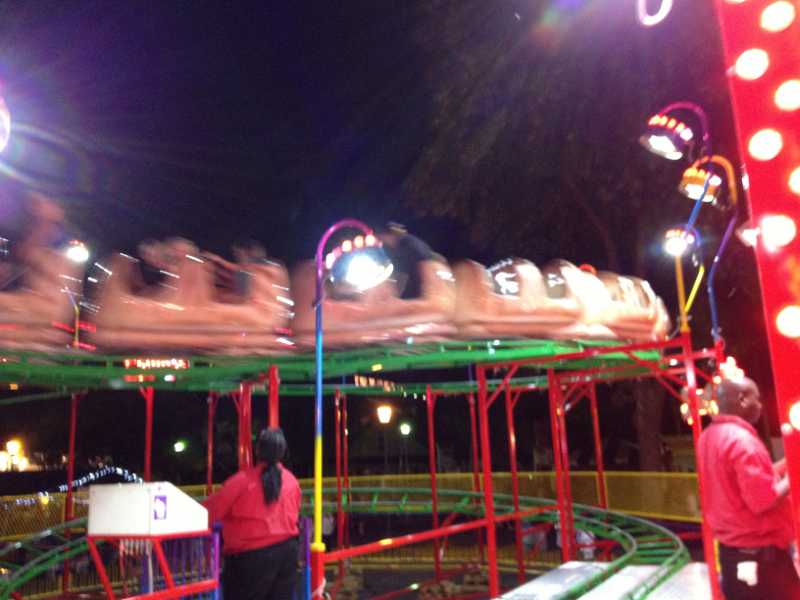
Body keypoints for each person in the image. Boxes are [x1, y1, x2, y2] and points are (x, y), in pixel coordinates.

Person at [698, 376, 800, 599]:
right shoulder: (742, 441)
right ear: (742, 399)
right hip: (761, 561)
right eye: (757, 398)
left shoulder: (708, 437)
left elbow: (748, 481)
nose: (761, 405)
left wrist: (790, 462)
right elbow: (763, 499)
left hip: (733, 555)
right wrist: (795, 475)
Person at [204, 428, 301, 600]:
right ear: (283, 452)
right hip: (287, 555)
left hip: (249, 559)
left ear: (258, 450)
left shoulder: (241, 482)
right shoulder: (292, 482)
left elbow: (208, 512)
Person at [379, 222, 435, 300]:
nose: (382, 239)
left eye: (384, 236)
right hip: (411, 275)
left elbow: (403, 274)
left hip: (425, 274)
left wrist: (396, 297)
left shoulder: (410, 245)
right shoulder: (388, 246)